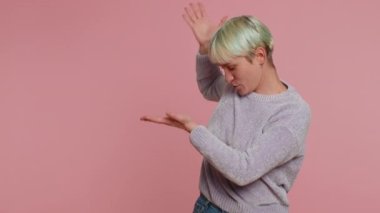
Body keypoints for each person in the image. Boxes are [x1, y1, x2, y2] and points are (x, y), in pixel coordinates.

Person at [140, 2, 311, 213]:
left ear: (259, 56)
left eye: (231, 67)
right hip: (207, 205)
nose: (228, 78)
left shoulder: (293, 113)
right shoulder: (239, 87)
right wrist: (204, 47)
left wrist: (194, 130)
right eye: (223, 68)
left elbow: (244, 170)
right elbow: (210, 86)